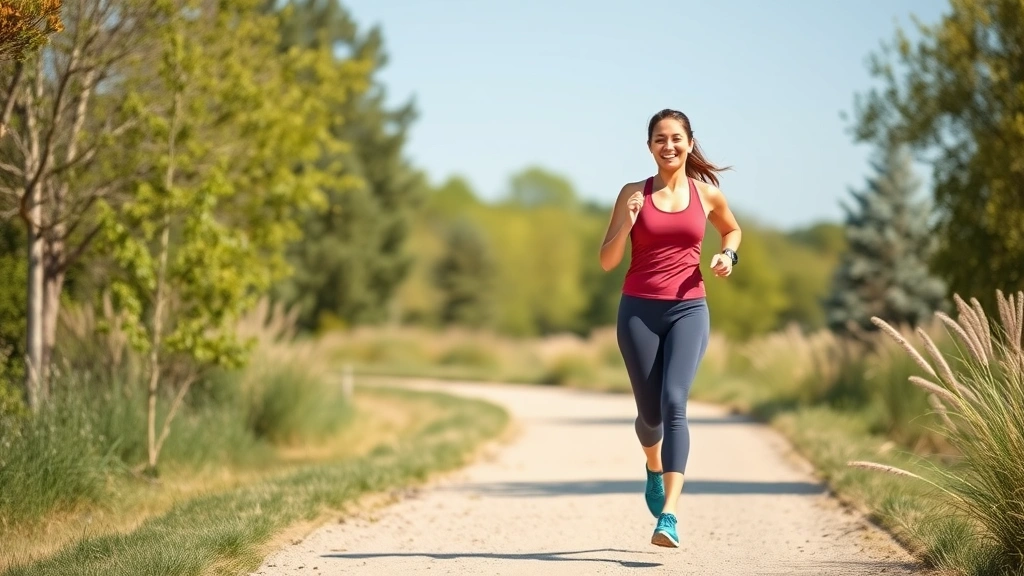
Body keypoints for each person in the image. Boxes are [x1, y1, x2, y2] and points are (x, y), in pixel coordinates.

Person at [599, 108, 741, 548]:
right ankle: (653, 467)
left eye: (676, 138)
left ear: (690, 143)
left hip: (688, 310)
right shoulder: (631, 192)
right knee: (650, 415)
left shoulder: (707, 196)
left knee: (675, 400)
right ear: (649, 147)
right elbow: (606, 261)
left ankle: (670, 516)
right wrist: (627, 219)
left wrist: (727, 256)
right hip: (638, 311)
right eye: (660, 139)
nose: (669, 146)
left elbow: (731, 231)